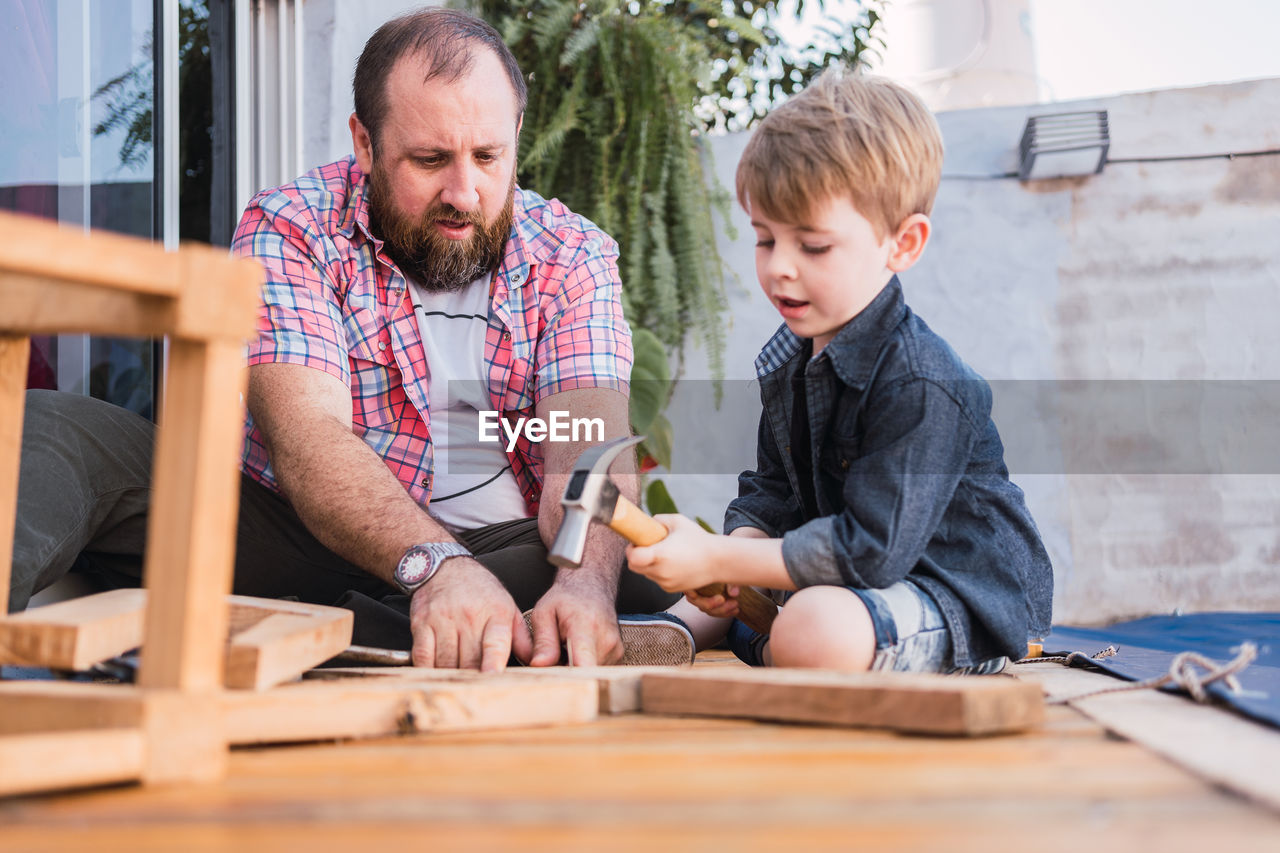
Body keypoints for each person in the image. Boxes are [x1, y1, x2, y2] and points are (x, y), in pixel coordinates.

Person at [9, 8, 694, 672]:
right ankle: (413, 624)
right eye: (430, 160)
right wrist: (435, 564)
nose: (465, 190)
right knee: (50, 429)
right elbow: (310, 437)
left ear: (517, 131)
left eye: (489, 156)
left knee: (640, 562)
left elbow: (587, 456)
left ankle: (358, 625)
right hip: (295, 527)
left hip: (501, 551)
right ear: (364, 143)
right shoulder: (292, 225)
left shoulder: (573, 257)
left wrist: (584, 587)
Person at [626, 69, 1054, 673]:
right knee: (779, 596)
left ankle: (763, 638)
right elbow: (772, 493)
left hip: (953, 595)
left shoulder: (922, 379)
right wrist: (728, 558)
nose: (779, 268)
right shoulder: (791, 359)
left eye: (814, 246)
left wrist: (724, 558)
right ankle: (688, 627)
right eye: (765, 239)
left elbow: (870, 552)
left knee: (816, 626)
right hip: (841, 580)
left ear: (901, 244)